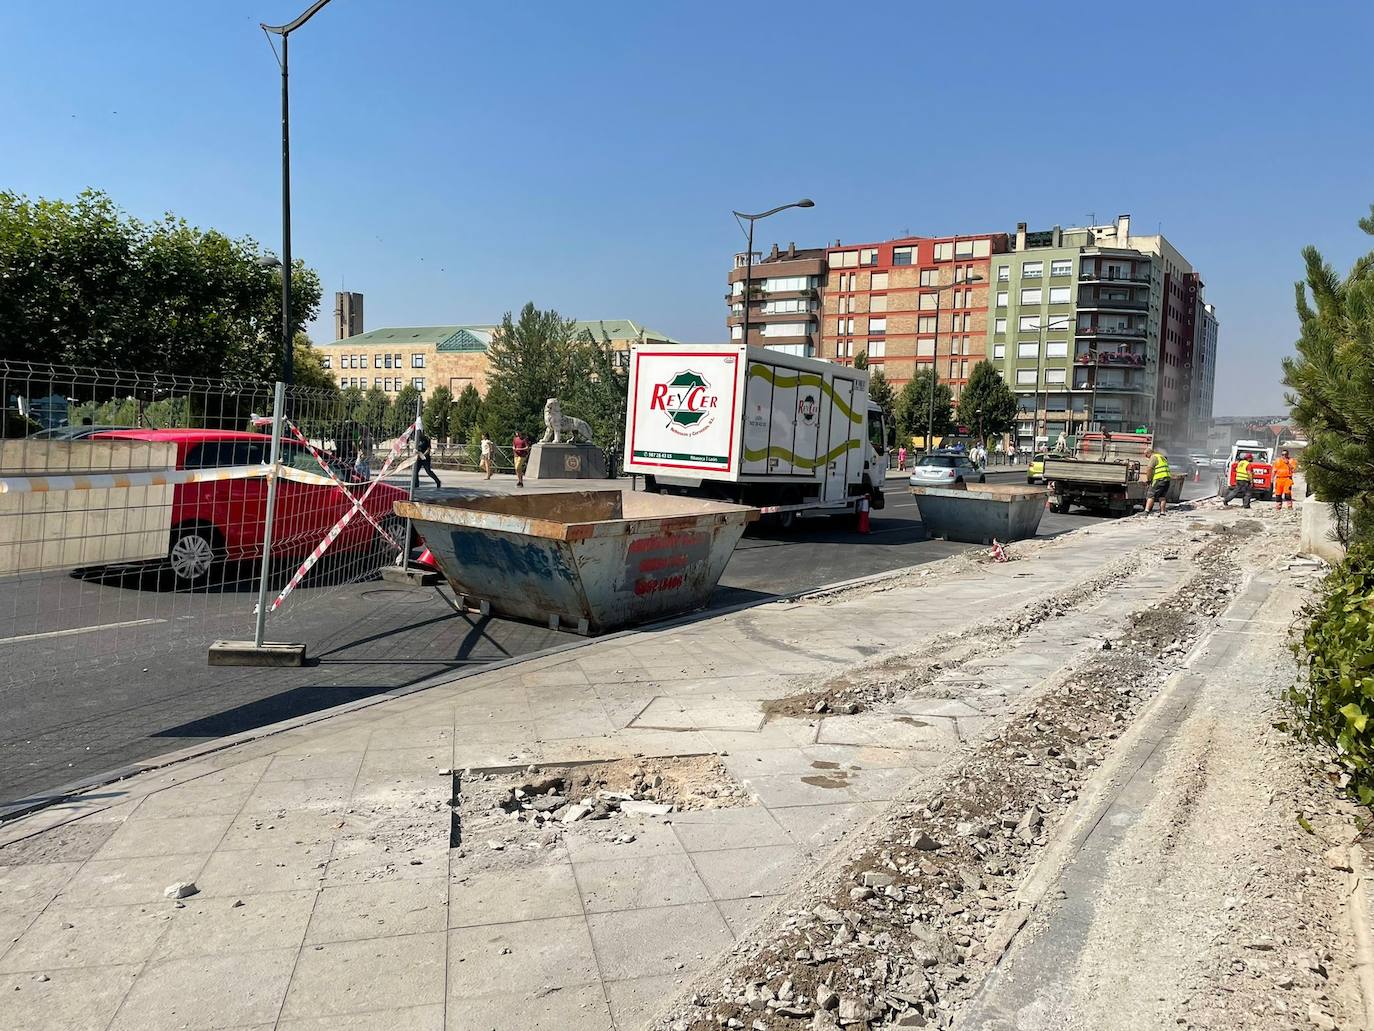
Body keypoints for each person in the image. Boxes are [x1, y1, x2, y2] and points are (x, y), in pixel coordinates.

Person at [1143, 447, 1172, 516]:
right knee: (1162, 496)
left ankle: (1146, 511)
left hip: (1159, 479)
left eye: (1146, 455)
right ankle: (1162, 512)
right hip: (1167, 479)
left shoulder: (1153, 457)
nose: (1146, 457)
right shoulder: (1161, 457)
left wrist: (1149, 479)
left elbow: (1149, 468)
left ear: (1149, 453)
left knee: (1151, 495)